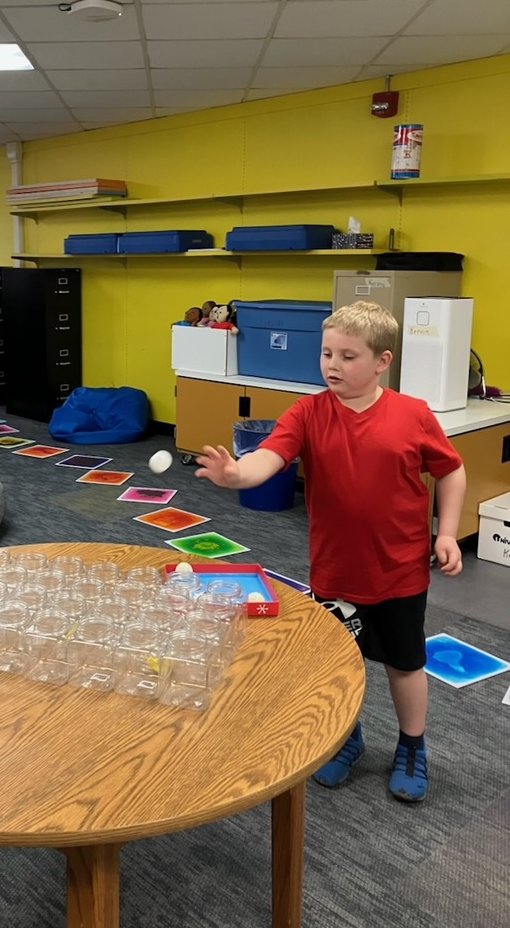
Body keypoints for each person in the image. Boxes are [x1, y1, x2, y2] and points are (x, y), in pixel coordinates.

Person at [195, 300, 466, 803]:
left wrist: (446, 532)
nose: (332, 366)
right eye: (326, 354)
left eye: (348, 356)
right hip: (335, 570)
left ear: (382, 361)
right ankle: (348, 736)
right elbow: (271, 457)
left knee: (404, 663)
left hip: (401, 571)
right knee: (340, 660)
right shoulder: (308, 411)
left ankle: (412, 743)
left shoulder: (413, 415)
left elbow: (450, 470)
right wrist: (238, 475)